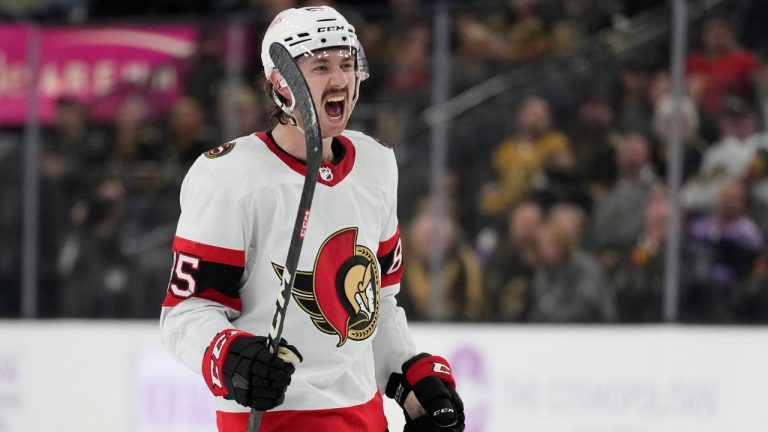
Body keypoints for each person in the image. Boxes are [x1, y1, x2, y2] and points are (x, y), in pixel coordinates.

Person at [159, 6, 465, 432]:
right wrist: (230, 356)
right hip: (272, 419)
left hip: (363, 416)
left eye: (346, 64)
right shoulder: (227, 175)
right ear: (280, 83)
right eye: (320, 66)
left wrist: (409, 378)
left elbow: (380, 306)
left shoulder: (376, 164)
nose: (339, 79)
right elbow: (187, 312)